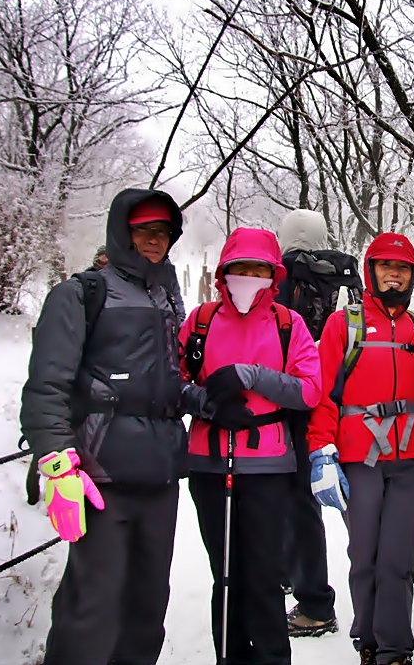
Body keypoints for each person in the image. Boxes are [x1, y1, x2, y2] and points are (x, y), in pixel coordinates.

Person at [19, 189, 187, 665]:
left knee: (147, 607)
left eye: (163, 232)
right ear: (121, 231)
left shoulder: (166, 298)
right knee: (92, 608)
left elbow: (163, 385)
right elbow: (46, 388)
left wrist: (208, 396)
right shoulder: (80, 294)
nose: (154, 241)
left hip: (159, 477)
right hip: (99, 479)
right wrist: (56, 463)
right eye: (143, 230)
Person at [179, 226, 322, 665]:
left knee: (262, 576)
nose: (249, 277)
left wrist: (251, 376)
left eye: (259, 269)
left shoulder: (287, 323)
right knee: (225, 576)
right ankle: (231, 656)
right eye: (240, 268)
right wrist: (204, 403)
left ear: (273, 275)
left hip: (268, 466)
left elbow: (310, 390)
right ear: (224, 272)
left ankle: (273, 657)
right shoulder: (201, 321)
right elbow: (172, 382)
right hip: (209, 463)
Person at [308, 232, 414, 665]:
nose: (394, 276)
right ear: (370, 271)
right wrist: (321, 451)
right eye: (386, 267)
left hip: (412, 458)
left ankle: (395, 650)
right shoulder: (345, 324)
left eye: (402, 269)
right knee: (365, 555)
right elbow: (324, 394)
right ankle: (369, 641)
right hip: (359, 456)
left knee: (397, 558)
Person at [274, 209, 339, 637]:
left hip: (278, 398)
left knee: (284, 499)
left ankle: (314, 601)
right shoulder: (340, 275)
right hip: (322, 399)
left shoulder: (279, 278)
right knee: (302, 502)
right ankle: (300, 582)